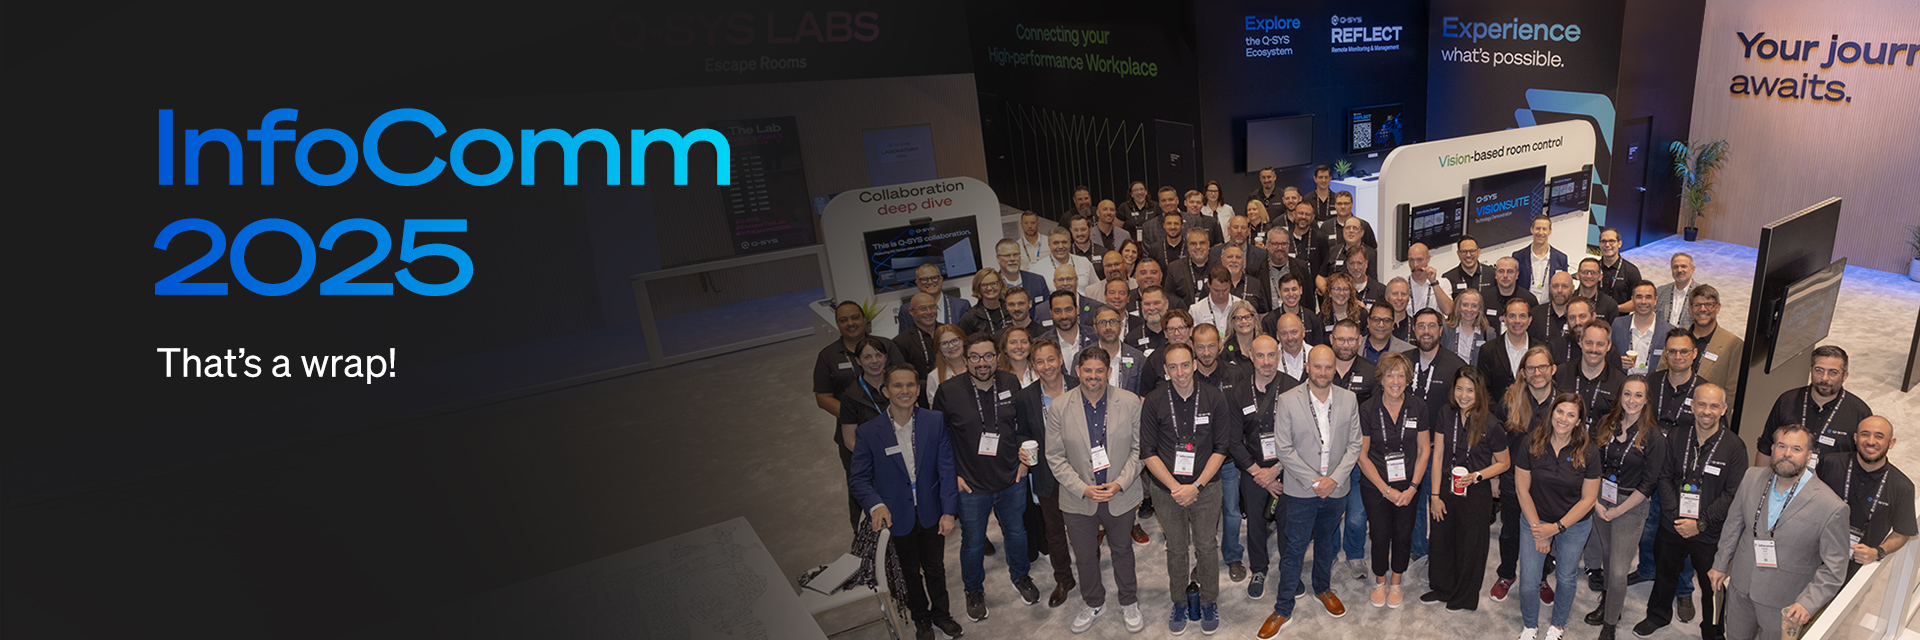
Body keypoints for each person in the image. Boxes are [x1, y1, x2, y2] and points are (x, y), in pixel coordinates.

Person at [848, 363, 963, 639]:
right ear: (885, 391)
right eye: (897, 385)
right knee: (909, 571)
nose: (905, 390)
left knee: (935, 568)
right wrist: (876, 505)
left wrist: (949, 511)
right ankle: (921, 618)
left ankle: (942, 615)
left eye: (910, 384)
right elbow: (858, 479)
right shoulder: (869, 432)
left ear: (918, 389)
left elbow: (947, 468)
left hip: (931, 510)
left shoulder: (934, 421)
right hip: (896, 515)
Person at [1258, 345, 1364, 638]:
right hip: (1301, 490)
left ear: (1334, 369)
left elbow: (1355, 444)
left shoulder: (1349, 399)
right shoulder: (1288, 400)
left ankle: (1322, 588)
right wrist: (1315, 481)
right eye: (1317, 366)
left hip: (1336, 489)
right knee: (1294, 548)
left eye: (1328, 367)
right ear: (1308, 367)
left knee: (1327, 542)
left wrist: (1334, 479)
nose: (1323, 372)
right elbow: (1284, 448)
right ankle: (1283, 608)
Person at [933, 333, 1041, 620]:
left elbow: (1022, 426)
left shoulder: (1009, 382)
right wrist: (953, 475)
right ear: (966, 359)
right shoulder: (948, 391)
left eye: (989, 356)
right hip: (971, 485)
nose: (982, 362)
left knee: (1016, 533)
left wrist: (1024, 463)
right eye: (975, 357)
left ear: (997, 357)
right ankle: (973, 590)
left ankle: (1021, 577)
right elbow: (938, 440)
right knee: (972, 542)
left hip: (1011, 477)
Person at [1710, 422, 1850, 640]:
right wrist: (1720, 564)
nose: (1787, 454)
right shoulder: (1751, 477)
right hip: (1741, 585)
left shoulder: (1832, 507)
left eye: (1796, 449)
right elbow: (1733, 525)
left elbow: (1835, 567)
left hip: (1786, 602)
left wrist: (1808, 602)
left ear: (1809, 456)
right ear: (1773, 448)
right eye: (1782, 446)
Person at [1047, 347, 1150, 633]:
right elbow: (1054, 456)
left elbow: (1140, 449)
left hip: (1120, 493)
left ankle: (1129, 601)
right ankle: (1093, 602)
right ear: (1077, 371)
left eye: (1099, 370)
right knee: (1084, 555)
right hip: (1078, 497)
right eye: (1088, 370)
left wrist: (1120, 483)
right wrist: (1083, 489)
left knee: (1123, 550)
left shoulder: (1129, 402)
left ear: (1109, 372)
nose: (1093, 376)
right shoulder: (1059, 407)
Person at [1633, 383, 1747, 640]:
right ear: (1692, 406)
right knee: (1665, 573)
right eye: (1702, 404)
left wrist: (1700, 523)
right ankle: (1657, 615)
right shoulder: (1676, 436)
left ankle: (1713, 632)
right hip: (1673, 524)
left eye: (1714, 406)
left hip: (1709, 531)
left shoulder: (1735, 447)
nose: (1707, 411)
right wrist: (1676, 516)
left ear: (1724, 409)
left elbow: (1732, 494)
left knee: (1712, 585)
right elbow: (1664, 476)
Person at [1141, 342, 1237, 634]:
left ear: (1195, 365)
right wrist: (1176, 488)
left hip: (1206, 487)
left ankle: (1208, 600)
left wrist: (1196, 485)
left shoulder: (1214, 398)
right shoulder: (1154, 401)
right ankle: (1180, 601)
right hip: (1165, 490)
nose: (1180, 372)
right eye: (1173, 367)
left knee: (1207, 545)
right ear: (1165, 370)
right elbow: (1148, 452)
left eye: (1185, 365)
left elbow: (1221, 448)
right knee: (1176, 548)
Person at [1420, 367, 1513, 611]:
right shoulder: (1445, 413)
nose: (1463, 395)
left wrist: (1477, 476)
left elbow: (1504, 463)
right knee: (1441, 539)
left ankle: (1463, 597)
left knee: (1470, 545)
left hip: (1476, 490)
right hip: (1446, 484)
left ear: (1479, 392)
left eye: (1470, 390)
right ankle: (1442, 588)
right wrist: (1434, 495)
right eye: (1459, 389)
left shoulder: (1491, 423)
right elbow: (1438, 455)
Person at [1581, 375, 1667, 640]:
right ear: (1619, 396)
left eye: (1638, 395)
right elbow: (1592, 464)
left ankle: (1610, 625)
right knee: (1608, 557)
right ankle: (1608, 604)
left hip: (1631, 505)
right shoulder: (1606, 424)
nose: (1632, 400)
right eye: (1627, 393)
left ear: (1647, 400)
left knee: (1619, 570)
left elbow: (1649, 483)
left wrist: (1618, 510)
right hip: (1601, 499)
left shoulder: (1654, 436)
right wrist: (1595, 502)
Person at [1513, 393, 1603, 640]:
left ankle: (1558, 626)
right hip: (1535, 518)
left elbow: (1588, 500)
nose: (1564, 418)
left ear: (1579, 421)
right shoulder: (1532, 442)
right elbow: (1522, 489)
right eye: (1560, 411)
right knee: (1529, 579)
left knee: (1566, 576)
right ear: (1551, 412)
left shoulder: (1589, 451)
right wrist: (1538, 529)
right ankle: (1530, 626)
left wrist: (1556, 528)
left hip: (1573, 524)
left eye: (1571, 415)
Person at [815, 302, 909, 526]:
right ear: (837, 324)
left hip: (895, 430)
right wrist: (855, 415)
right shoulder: (828, 355)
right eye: (843, 320)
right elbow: (823, 398)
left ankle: (903, 526)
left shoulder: (885, 345)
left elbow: (903, 378)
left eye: (855, 317)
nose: (851, 323)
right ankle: (864, 534)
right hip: (854, 436)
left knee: (902, 478)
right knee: (862, 486)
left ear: (864, 319)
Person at [1358, 352, 1431, 609]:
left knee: (1403, 533)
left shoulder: (1418, 407)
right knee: (1380, 534)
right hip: (1376, 485)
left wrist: (1413, 487)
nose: (1396, 381)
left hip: (1409, 485)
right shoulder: (1367, 409)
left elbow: (1424, 450)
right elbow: (1362, 455)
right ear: (1381, 378)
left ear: (1409, 379)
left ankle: (1396, 581)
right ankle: (1380, 581)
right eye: (1390, 375)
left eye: (1401, 375)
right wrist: (1385, 489)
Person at [1233, 335, 1302, 601]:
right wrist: (1258, 473)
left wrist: (1276, 470)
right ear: (1251, 356)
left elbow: (1302, 435)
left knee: (1288, 524)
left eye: (1271, 355)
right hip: (1253, 470)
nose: (1266, 361)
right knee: (1255, 524)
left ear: (1279, 355)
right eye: (1260, 355)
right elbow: (1232, 440)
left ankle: (1289, 569)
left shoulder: (1294, 388)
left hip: (1288, 468)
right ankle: (1259, 570)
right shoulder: (1238, 392)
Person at [1491, 346, 1559, 605]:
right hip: (1513, 479)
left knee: (1543, 532)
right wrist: (1495, 478)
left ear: (1552, 369)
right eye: (1531, 368)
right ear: (1523, 372)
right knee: (1509, 531)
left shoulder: (1563, 403)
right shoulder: (1510, 400)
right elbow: (1495, 440)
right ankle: (1507, 574)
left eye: (1542, 367)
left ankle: (1541, 576)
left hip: (1548, 483)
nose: (1537, 373)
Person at [1016, 339, 1080, 610]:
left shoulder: (1079, 385)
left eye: (1051, 359)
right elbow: (1021, 432)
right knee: (1054, 532)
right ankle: (1064, 579)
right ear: (1033, 365)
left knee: (1084, 527)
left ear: (1060, 359)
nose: (1046, 366)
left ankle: (1089, 571)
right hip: (1046, 472)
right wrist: (1022, 449)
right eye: (1039, 361)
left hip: (1080, 471)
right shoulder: (1026, 397)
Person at [1818, 416, 1916, 579]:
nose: (1871, 441)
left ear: (1891, 443)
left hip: (1854, 570)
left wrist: (1877, 552)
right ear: (1856, 438)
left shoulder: (1902, 487)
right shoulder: (1830, 464)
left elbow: (1902, 532)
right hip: (1813, 555)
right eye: (1865, 434)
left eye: (1879, 436)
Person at [1193, 325, 1253, 584]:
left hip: (1228, 459)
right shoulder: (1187, 376)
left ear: (1219, 344)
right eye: (1200, 347)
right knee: (1202, 515)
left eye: (1211, 346)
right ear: (1193, 347)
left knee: (1231, 511)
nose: (1206, 352)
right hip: (1198, 461)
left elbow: (1243, 415)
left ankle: (1233, 556)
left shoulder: (1235, 373)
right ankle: (1203, 559)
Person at [1757, 345, 1876, 470]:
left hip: (1832, 480)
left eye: (1833, 372)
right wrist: (1759, 480)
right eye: (1819, 370)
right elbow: (1766, 447)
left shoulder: (1859, 412)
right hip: (1785, 476)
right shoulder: (1787, 401)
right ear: (1811, 370)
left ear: (1845, 376)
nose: (1824, 378)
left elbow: (1866, 460)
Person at [840, 336, 903, 528]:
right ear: (858, 361)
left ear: (886, 357)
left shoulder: (898, 384)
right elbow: (849, 439)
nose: (874, 361)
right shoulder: (851, 396)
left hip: (904, 455)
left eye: (878, 355)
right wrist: (877, 458)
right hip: (875, 464)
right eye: (867, 357)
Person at [1555, 320, 1626, 433]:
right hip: (1564, 439)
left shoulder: (1620, 382)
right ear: (1580, 342)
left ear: (1609, 346)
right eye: (1589, 343)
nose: (1594, 349)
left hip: (1601, 442)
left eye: (1600, 344)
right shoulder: (1562, 373)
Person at [1674, 284, 1744, 393]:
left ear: (1718, 308)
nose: (1702, 309)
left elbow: (1732, 389)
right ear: (1690, 308)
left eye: (1708, 304)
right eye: (1697, 305)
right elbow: (1663, 373)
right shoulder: (1676, 337)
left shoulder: (1733, 345)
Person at [1478, 297, 1541, 401]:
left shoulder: (1541, 350)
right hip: (1497, 410)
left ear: (1529, 320)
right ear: (1505, 319)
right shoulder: (1488, 350)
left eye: (1522, 316)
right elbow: (1483, 390)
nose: (1517, 321)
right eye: (1512, 316)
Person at [1611, 280, 1673, 376]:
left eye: (1648, 297)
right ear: (1632, 299)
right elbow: (1607, 355)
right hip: (1621, 381)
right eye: (1639, 297)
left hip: (1653, 384)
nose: (1643, 302)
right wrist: (1617, 361)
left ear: (1655, 300)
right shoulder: (1618, 325)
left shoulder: (1668, 331)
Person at [896, 263, 973, 335]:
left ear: (941, 279)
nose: (930, 282)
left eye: (934, 278)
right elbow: (905, 341)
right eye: (924, 279)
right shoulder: (906, 310)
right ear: (917, 283)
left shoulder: (961, 306)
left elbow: (970, 339)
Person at [1092, 305, 1148, 399]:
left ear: (1120, 325)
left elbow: (1141, 396)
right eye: (1102, 323)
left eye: (1113, 322)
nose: (1108, 327)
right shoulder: (1082, 357)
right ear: (1095, 327)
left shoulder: (1138, 358)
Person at [1511, 214, 1569, 302]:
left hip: (1549, 305)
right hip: (1524, 305)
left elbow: (1564, 286)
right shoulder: (1518, 257)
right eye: (1538, 228)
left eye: (1544, 229)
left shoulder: (1561, 259)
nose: (1540, 232)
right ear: (1532, 230)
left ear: (1550, 231)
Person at [1140, 309, 1196, 398]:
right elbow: (1145, 395)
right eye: (1171, 329)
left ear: (1191, 330)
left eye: (1182, 328)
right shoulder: (1155, 359)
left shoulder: (1202, 353)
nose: (1176, 333)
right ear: (1165, 333)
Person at [1261, 228, 1317, 315]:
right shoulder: (1255, 271)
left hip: (1297, 320)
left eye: (1283, 244)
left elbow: (1309, 300)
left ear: (1288, 245)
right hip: (1268, 321)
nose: (1280, 248)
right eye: (1275, 244)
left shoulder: (1302, 267)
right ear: (1267, 245)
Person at [1263, 272, 1325, 348]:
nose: (1291, 294)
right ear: (1279, 293)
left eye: (1294, 289)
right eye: (1286, 290)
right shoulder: (1269, 322)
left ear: (1301, 290)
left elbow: (1318, 348)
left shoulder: (1313, 319)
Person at [1444, 288, 1499, 367]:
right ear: (1458, 307)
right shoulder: (1446, 330)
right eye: (1465, 305)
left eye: (1474, 306)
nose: (1469, 309)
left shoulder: (1489, 333)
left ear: (1479, 309)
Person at [1328, 319, 1378, 405]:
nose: (1346, 345)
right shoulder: (1319, 371)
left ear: (1359, 340)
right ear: (1331, 339)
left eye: (1351, 340)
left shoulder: (1372, 373)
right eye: (1340, 339)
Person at [1041, 228, 1099, 300]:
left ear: (1070, 243)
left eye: (1064, 242)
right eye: (1056, 243)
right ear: (1049, 244)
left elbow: (1096, 289)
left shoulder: (1084, 262)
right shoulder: (1037, 269)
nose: (1060, 246)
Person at [897, 293, 945, 378]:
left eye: (932, 307)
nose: (929, 312)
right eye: (923, 309)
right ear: (911, 312)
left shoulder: (950, 332)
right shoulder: (902, 342)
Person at [1165, 228, 1217, 307]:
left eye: (1202, 243)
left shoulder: (1220, 265)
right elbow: (1169, 298)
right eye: (1193, 243)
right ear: (1188, 246)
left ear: (1208, 245)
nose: (1198, 247)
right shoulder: (1175, 268)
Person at [1653, 253, 1705, 330]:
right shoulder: (1660, 291)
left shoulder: (1702, 293)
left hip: (1689, 336)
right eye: (1675, 267)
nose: (1679, 270)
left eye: (1683, 266)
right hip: (1663, 335)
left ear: (1693, 269)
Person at [1189, 265, 1244, 339]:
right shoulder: (1195, 310)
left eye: (1225, 290)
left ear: (1230, 284)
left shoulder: (1241, 306)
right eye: (1216, 291)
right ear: (1208, 284)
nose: (1221, 295)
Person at [1596, 228, 1642, 314]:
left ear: (1619, 243)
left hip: (1619, 318)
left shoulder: (1631, 271)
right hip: (1594, 317)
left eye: (1611, 241)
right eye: (1603, 241)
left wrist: (1613, 308)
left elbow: (1638, 301)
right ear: (1599, 244)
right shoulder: (1593, 269)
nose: (1607, 245)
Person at [958, 268, 1010, 336]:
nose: (989, 288)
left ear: (1000, 284)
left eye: (993, 283)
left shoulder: (1010, 309)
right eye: (984, 285)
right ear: (978, 288)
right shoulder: (970, 317)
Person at [1406, 243, 1455, 316]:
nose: (1415, 265)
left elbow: (1449, 310)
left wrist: (1434, 283)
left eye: (1420, 260)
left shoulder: (1442, 283)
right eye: (1411, 260)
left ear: (1428, 259)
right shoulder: (1403, 285)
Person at [1528, 272, 1577, 345]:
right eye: (1555, 286)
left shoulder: (1578, 317)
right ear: (1550, 288)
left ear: (1572, 289)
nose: (1559, 290)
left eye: (1564, 286)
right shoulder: (1535, 314)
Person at [1443, 235, 1496, 302]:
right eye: (1464, 251)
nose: (1468, 255)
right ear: (1458, 253)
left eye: (1472, 251)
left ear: (1478, 252)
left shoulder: (1492, 274)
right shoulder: (1448, 278)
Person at [925, 324, 968, 404]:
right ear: (938, 348)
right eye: (944, 343)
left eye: (955, 340)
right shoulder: (934, 377)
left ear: (963, 340)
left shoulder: (979, 367)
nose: (951, 346)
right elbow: (934, 409)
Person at [1125, 285, 1171, 356]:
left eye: (1156, 303)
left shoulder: (1177, 334)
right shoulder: (1131, 339)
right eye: (1147, 304)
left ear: (1166, 304)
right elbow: (1128, 362)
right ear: (1141, 306)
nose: (1152, 308)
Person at [1141, 185, 1189, 251]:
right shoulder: (1148, 227)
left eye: (1170, 199)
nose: (1167, 203)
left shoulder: (1194, 221)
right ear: (1159, 203)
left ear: (1177, 200)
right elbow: (1147, 255)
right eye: (1163, 200)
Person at [1575, 258, 1621, 324]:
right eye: (1585, 272)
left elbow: (1613, 330)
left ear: (1600, 277)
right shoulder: (1568, 300)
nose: (1589, 276)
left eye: (1593, 272)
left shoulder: (1610, 305)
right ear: (1577, 275)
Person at [1222, 300, 1263, 370]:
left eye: (1247, 317)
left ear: (1254, 319)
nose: (1243, 321)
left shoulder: (1264, 345)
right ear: (1232, 322)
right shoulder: (1226, 351)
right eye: (1238, 318)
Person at [1147, 206, 1189, 272]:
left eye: (1176, 223)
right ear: (1164, 225)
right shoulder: (1155, 248)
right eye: (1169, 223)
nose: (1172, 227)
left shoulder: (1190, 247)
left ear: (1182, 226)